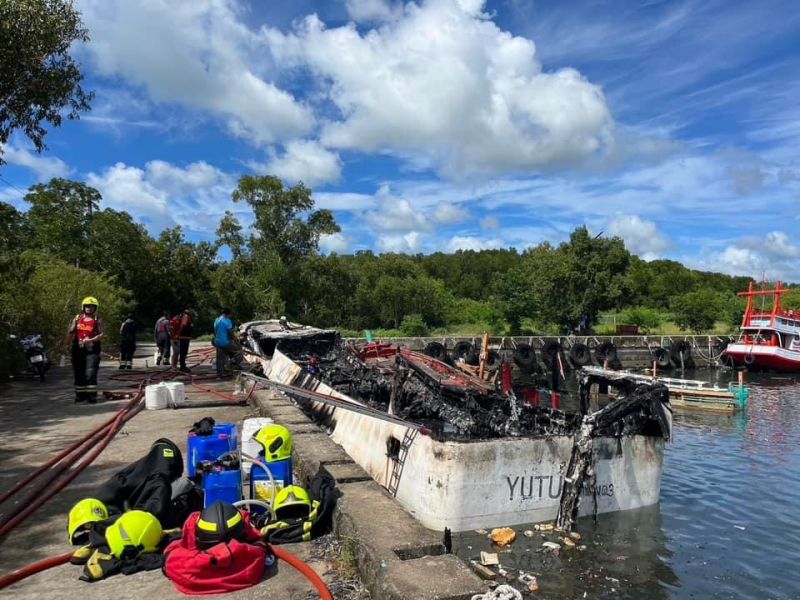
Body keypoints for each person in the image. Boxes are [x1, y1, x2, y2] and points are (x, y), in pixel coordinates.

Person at [65, 296, 105, 403]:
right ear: (83, 307)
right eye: (87, 306)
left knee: (90, 372)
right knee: (79, 372)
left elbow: (102, 335)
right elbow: (71, 332)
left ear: (95, 308)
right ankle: (80, 395)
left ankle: (91, 396)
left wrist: (91, 339)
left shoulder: (97, 320)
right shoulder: (77, 319)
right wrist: (66, 345)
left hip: (92, 351)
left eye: (92, 306)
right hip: (78, 350)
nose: (89, 308)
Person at [213, 308, 237, 378]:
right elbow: (230, 332)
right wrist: (236, 341)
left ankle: (219, 374)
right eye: (230, 314)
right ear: (228, 314)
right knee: (238, 353)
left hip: (218, 342)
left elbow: (215, 331)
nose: (230, 316)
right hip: (225, 342)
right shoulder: (228, 321)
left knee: (219, 358)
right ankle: (231, 369)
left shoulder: (216, 320)